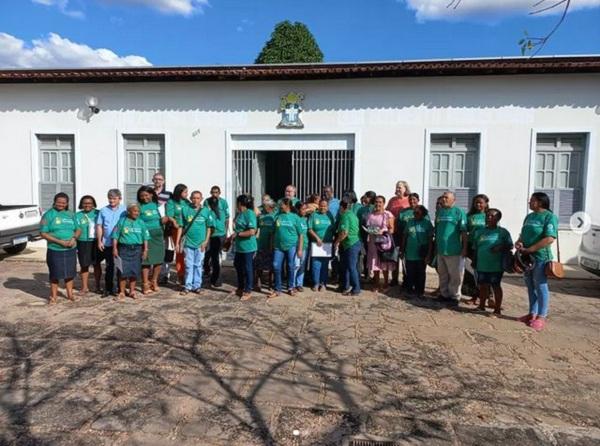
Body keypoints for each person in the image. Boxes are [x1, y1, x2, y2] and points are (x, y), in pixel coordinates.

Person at [515, 192, 558, 331]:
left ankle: (542, 316)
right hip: (527, 258)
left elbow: (550, 238)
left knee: (540, 286)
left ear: (540, 202)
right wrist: (520, 242)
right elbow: (523, 234)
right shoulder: (529, 217)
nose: (529, 202)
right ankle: (532, 313)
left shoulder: (549, 217)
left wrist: (531, 249)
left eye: (532, 200)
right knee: (530, 285)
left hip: (540, 257)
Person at [40, 192, 80, 304]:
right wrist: (60, 241)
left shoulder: (72, 214)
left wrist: (73, 239)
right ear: (54, 202)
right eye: (58, 202)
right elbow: (43, 233)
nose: (61, 204)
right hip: (55, 249)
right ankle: (53, 297)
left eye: (63, 202)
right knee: (55, 274)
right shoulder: (48, 215)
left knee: (70, 273)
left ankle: (70, 294)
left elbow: (78, 229)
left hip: (70, 249)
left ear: (67, 203)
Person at [473, 208, 513, 317]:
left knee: (496, 286)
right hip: (482, 264)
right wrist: (474, 261)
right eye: (487, 216)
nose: (489, 218)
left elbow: (510, 245)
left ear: (498, 218)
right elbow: (476, 247)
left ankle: (497, 309)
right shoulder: (479, 231)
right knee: (483, 286)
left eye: (492, 216)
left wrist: (501, 246)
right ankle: (481, 306)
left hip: (496, 266)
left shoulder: (503, 232)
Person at [176, 191, 214, 296]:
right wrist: (177, 242)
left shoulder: (206, 211)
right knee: (188, 265)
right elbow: (180, 227)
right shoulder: (185, 210)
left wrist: (206, 241)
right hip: (188, 243)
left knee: (198, 265)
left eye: (198, 198)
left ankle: (197, 286)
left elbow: (209, 228)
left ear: (201, 199)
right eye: (193, 198)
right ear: (190, 198)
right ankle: (187, 286)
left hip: (200, 243)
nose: (195, 200)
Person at [434, 191, 468, 306]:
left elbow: (463, 232)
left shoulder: (459, 212)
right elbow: (437, 230)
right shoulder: (440, 212)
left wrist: (464, 248)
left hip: (454, 250)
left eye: (446, 197)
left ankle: (455, 296)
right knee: (443, 274)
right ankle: (444, 294)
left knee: (455, 275)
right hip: (441, 250)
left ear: (454, 200)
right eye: (443, 197)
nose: (443, 199)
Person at [111, 203, 149, 301]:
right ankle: (122, 292)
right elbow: (115, 236)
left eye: (138, 211)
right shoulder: (122, 221)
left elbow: (145, 237)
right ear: (129, 212)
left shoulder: (141, 222)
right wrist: (114, 248)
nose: (137, 213)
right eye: (135, 211)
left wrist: (145, 250)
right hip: (124, 249)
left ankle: (132, 291)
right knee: (123, 271)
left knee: (134, 271)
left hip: (137, 249)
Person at [269, 198, 303, 298]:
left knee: (291, 266)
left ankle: (291, 287)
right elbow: (273, 232)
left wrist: (300, 249)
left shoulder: (295, 217)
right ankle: (277, 289)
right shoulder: (277, 216)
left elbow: (301, 235)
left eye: (282, 204)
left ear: (287, 205)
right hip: (278, 246)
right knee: (276, 266)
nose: (280, 206)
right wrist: (271, 245)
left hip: (291, 246)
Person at [138, 186, 168, 294]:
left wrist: (166, 218)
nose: (144, 198)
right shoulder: (139, 206)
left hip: (158, 235)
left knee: (158, 259)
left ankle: (154, 281)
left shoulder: (158, 205)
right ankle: (145, 283)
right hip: (146, 236)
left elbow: (166, 216)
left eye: (146, 195)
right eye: (142, 196)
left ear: (151, 194)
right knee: (146, 261)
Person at [96, 189, 126, 297]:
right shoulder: (103, 210)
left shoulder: (124, 210)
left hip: (121, 242)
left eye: (114, 198)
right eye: (110, 198)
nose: (111, 200)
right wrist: (99, 241)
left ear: (119, 198)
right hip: (107, 242)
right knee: (109, 266)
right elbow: (99, 226)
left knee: (120, 266)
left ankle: (120, 288)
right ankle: (108, 289)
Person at [402, 205, 434, 299]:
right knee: (410, 273)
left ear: (423, 214)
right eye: (414, 213)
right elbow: (405, 236)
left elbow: (430, 240)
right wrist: (402, 250)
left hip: (421, 254)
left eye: (417, 213)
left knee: (420, 273)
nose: (415, 214)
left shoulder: (427, 223)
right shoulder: (410, 222)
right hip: (410, 253)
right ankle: (409, 290)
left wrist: (428, 254)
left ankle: (420, 291)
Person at [366, 196, 396, 293]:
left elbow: (392, 229)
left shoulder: (388, 214)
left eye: (380, 202)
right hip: (373, 242)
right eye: (376, 202)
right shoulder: (370, 215)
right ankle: (376, 283)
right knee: (375, 263)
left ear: (384, 203)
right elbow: (368, 227)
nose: (378, 204)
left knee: (384, 263)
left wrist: (383, 232)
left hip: (383, 243)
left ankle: (386, 283)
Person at [464, 194, 490, 304]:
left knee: (484, 273)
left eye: (480, 202)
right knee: (472, 273)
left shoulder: (489, 216)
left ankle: (488, 296)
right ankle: (475, 296)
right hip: (471, 247)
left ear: (486, 204)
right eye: (476, 202)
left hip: (485, 248)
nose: (478, 204)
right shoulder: (469, 216)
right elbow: (465, 232)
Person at [232, 194, 258, 300]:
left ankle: (248, 290)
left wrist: (238, 234)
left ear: (240, 203)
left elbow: (252, 231)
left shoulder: (250, 214)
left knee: (248, 268)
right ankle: (240, 287)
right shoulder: (239, 214)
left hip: (248, 247)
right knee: (237, 265)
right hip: (239, 246)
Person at [203, 186, 230, 287]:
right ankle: (207, 270)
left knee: (216, 256)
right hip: (210, 233)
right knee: (207, 254)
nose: (214, 194)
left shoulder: (223, 202)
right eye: (213, 192)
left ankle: (216, 278)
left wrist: (226, 232)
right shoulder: (206, 202)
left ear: (219, 193)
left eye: (216, 192)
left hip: (220, 233)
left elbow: (227, 217)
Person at [395, 193, 423, 289]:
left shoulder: (422, 211)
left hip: (419, 244)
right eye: (410, 199)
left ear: (418, 200)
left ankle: (418, 287)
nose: (412, 201)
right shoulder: (403, 212)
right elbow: (398, 226)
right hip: (406, 241)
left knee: (418, 267)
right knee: (407, 266)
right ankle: (407, 283)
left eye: (414, 199)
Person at [334, 198, 361, 296]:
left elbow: (344, 232)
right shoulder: (353, 215)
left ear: (341, 207)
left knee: (351, 267)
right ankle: (345, 286)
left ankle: (356, 289)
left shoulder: (345, 216)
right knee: (346, 266)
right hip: (353, 243)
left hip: (351, 244)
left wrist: (336, 242)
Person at [75, 195, 101, 295]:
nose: (87, 205)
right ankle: (84, 287)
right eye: (85, 203)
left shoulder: (98, 213)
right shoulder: (77, 215)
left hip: (96, 241)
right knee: (84, 265)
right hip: (83, 242)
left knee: (96, 264)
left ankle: (97, 286)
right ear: (81, 204)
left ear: (93, 204)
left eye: (90, 203)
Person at [308, 199, 335, 291]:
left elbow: (333, 229)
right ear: (318, 206)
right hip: (316, 244)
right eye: (321, 205)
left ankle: (323, 283)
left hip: (327, 244)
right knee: (316, 264)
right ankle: (316, 283)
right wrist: (317, 238)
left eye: (325, 206)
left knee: (325, 265)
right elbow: (310, 229)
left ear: (327, 207)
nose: (323, 207)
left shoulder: (330, 215)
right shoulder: (314, 215)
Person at [166, 184, 190, 284]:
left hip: (188, 230)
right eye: (185, 192)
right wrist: (174, 222)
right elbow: (169, 215)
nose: (187, 194)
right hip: (177, 230)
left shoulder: (187, 202)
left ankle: (189, 274)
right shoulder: (172, 202)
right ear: (179, 192)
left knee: (188, 253)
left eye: (187, 192)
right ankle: (180, 275)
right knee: (179, 253)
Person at [152, 172, 173, 284]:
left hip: (166, 226)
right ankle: (154, 274)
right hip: (153, 225)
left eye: (160, 179)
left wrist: (168, 217)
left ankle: (166, 273)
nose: (158, 181)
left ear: (163, 181)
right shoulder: (149, 193)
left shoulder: (169, 194)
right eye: (156, 179)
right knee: (153, 250)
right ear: (153, 181)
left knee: (167, 250)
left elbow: (172, 207)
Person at [254, 196, 276, 291]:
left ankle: (271, 284)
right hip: (261, 243)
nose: (265, 208)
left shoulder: (275, 216)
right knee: (259, 264)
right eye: (265, 206)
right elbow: (256, 229)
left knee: (271, 266)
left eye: (267, 206)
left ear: (271, 207)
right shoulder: (261, 216)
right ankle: (258, 283)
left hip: (272, 244)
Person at [357, 191, 376, 279]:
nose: (365, 198)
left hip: (374, 236)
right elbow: (358, 222)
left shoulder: (375, 208)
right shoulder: (361, 209)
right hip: (362, 235)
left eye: (367, 197)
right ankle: (366, 273)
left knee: (372, 255)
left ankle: (372, 273)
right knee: (364, 254)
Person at [293, 201, 310, 292]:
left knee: (302, 266)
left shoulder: (306, 219)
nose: (305, 211)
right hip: (297, 246)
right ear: (298, 209)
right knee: (296, 266)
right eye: (303, 209)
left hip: (305, 246)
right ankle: (293, 284)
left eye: (305, 209)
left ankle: (299, 284)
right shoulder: (295, 218)